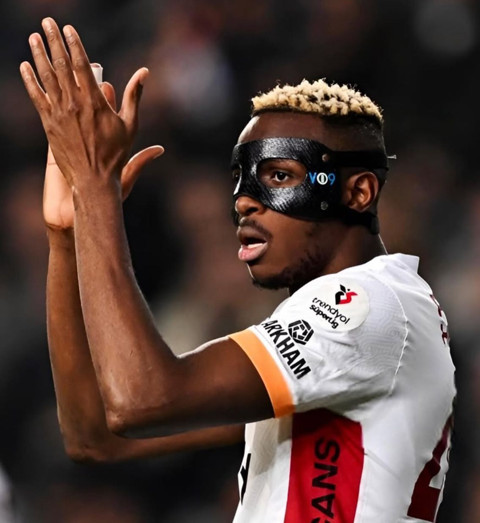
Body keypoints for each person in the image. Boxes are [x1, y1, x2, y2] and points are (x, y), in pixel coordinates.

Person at [20, 17, 456, 522]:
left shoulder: (370, 304)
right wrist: (68, 237)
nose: (246, 200)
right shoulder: (337, 345)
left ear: (358, 192)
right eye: (241, 179)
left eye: (279, 174)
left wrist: (96, 185)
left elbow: (139, 400)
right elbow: (95, 435)